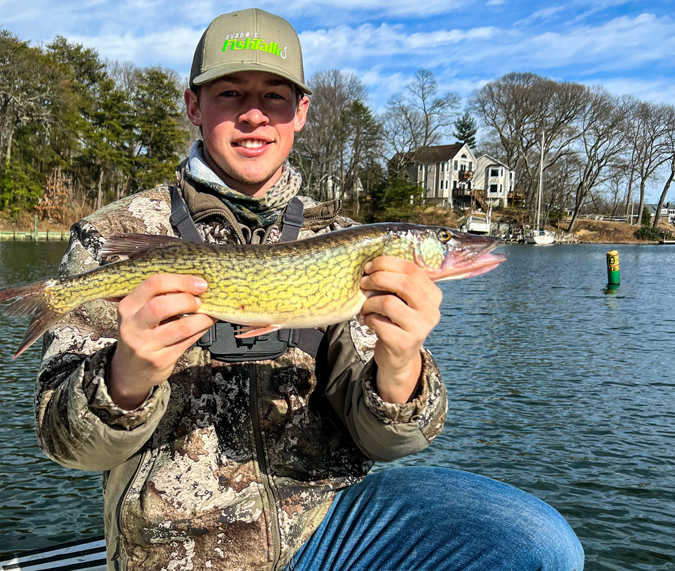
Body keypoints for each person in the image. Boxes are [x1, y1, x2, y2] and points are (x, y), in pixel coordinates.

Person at [35, 8, 584, 571]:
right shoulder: (116, 234)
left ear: (300, 112)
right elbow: (65, 444)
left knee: (539, 543)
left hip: (328, 526)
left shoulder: (341, 239)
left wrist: (401, 365)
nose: (254, 115)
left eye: (275, 97)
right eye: (229, 94)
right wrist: (127, 379)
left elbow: (387, 443)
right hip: (178, 545)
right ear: (194, 106)